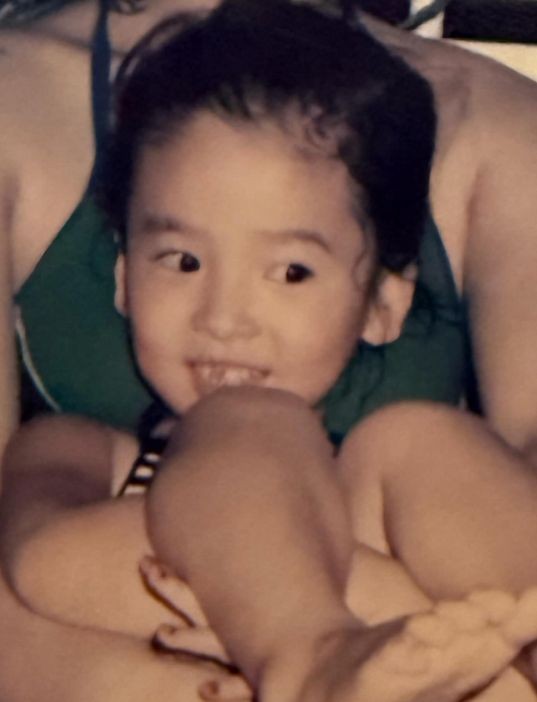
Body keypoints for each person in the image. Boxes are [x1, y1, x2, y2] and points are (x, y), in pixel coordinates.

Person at [2, 4, 537, 702]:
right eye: (183, 261)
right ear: (125, 280)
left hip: (429, 642)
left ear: (383, 305)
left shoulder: (378, 476)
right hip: (204, 644)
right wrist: (331, 603)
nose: (224, 320)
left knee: (421, 439)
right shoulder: (88, 449)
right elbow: (37, 559)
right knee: (249, 422)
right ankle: (310, 653)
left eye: (290, 273)